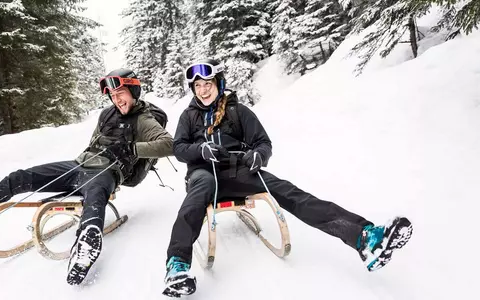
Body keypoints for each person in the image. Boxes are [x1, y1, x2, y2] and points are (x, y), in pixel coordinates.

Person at [162, 59, 413, 297]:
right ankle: (177, 265)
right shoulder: (188, 116)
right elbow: (179, 148)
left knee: (289, 193)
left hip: (237, 169)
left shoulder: (238, 111)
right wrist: (200, 150)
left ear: (218, 83)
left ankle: (364, 238)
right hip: (204, 173)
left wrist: (260, 155)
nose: (203, 90)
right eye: (198, 86)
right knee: (195, 199)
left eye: (208, 84)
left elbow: (263, 142)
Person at [0, 68, 173, 286]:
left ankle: (86, 242)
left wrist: (131, 149)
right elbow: (92, 144)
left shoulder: (144, 119)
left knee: (95, 196)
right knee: (18, 178)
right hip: (78, 165)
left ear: (133, 91)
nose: (117, 99)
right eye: (113, 95)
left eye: (121, 93)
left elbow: (168, 144)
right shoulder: (107, 114)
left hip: (106, 172)